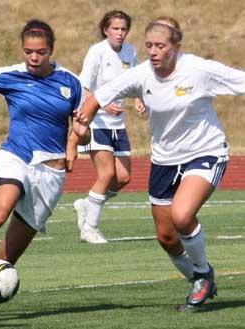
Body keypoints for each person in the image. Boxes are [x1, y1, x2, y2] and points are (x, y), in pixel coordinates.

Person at [73, 15, 245, 310]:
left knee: (181, 215)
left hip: (205, 152)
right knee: (166, 237)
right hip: (164, 161)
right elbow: (100, 96)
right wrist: (83, 120)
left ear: (176, 46)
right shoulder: (141, 74)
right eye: (149, 45)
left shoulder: (199, 70)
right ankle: (199, 280)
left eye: (160, 46)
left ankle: (202, 274)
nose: (153, 51)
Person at [0, 19, 85, 318]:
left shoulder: (70, 82)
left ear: (51, 50)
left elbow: (82, 125)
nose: (33, 58)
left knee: (10, 255)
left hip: (51, 174)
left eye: (41, 52)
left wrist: (77, 140)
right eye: (28, 51)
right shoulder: (9, 75)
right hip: (16, 156)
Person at [70, 10, 146, 244]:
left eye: (123, 29)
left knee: (123, 178)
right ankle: (89, 228)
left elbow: (137, 80)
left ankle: (87, 204)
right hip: (98, 122)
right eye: (115, 28)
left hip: (118, 126)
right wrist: (103, 106)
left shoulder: (131, 52)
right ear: (106, 30)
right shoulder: (97, 52)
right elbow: (83, 87)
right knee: (107, 174)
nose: (120, 33)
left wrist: (138, 98)